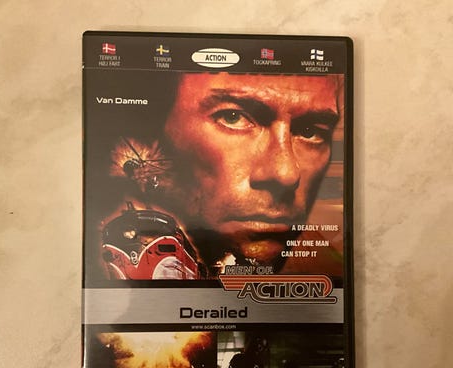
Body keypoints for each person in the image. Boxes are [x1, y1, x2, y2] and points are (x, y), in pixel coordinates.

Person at [110, 72, 342, 277]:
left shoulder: (331, 271)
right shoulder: (115, 251)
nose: (286, 174)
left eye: (310, 131)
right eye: (232, 117)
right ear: (154, 133)